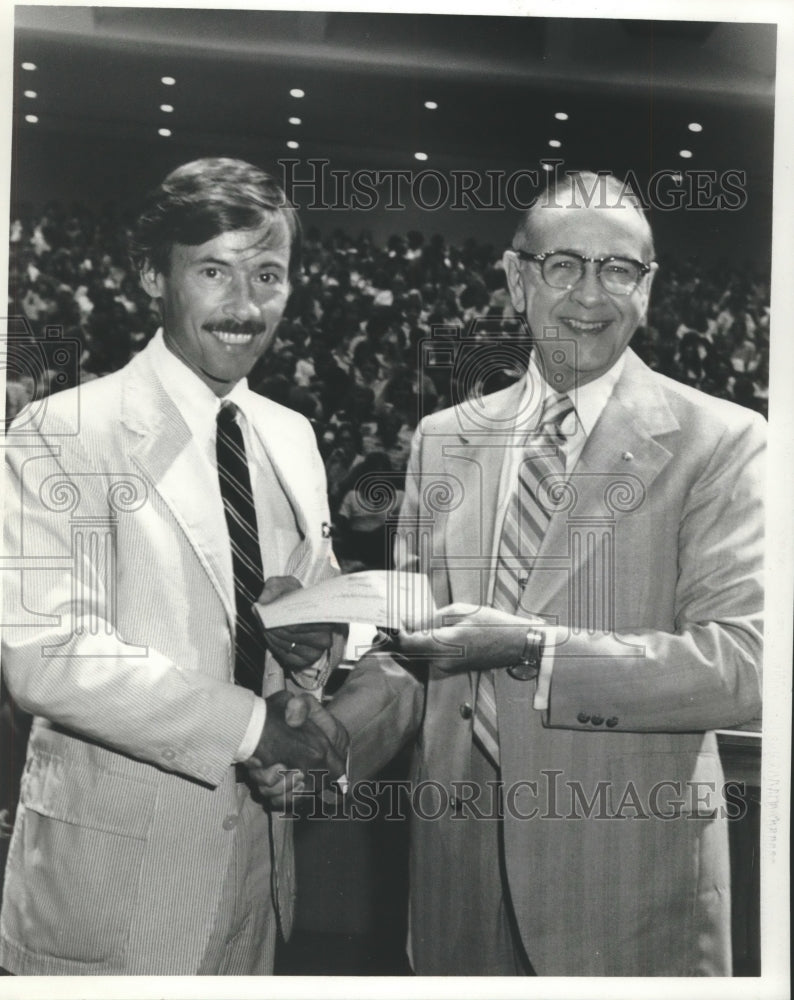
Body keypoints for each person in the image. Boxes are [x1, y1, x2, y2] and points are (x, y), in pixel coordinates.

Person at [0, 158, 420, 976]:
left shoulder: (290, 435)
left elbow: (323, 608)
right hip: (111, 893)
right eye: (214, 272)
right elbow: (44, 651)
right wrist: (254, 727)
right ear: (153, 276)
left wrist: (317, 637)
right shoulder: (62, 430)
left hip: (259, 881)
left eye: (268, 274)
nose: (245, 304)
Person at [393, 171, 764, 976]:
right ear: (517, 278)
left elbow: (740, 666)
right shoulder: (441, 440)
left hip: (626, 884)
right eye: (564, 265)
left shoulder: (724, 442)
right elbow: (409, 653)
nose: (589, 295)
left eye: (618, 270)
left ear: (649, 289)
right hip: (455, 876)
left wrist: (531, 647)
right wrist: (321, 736)